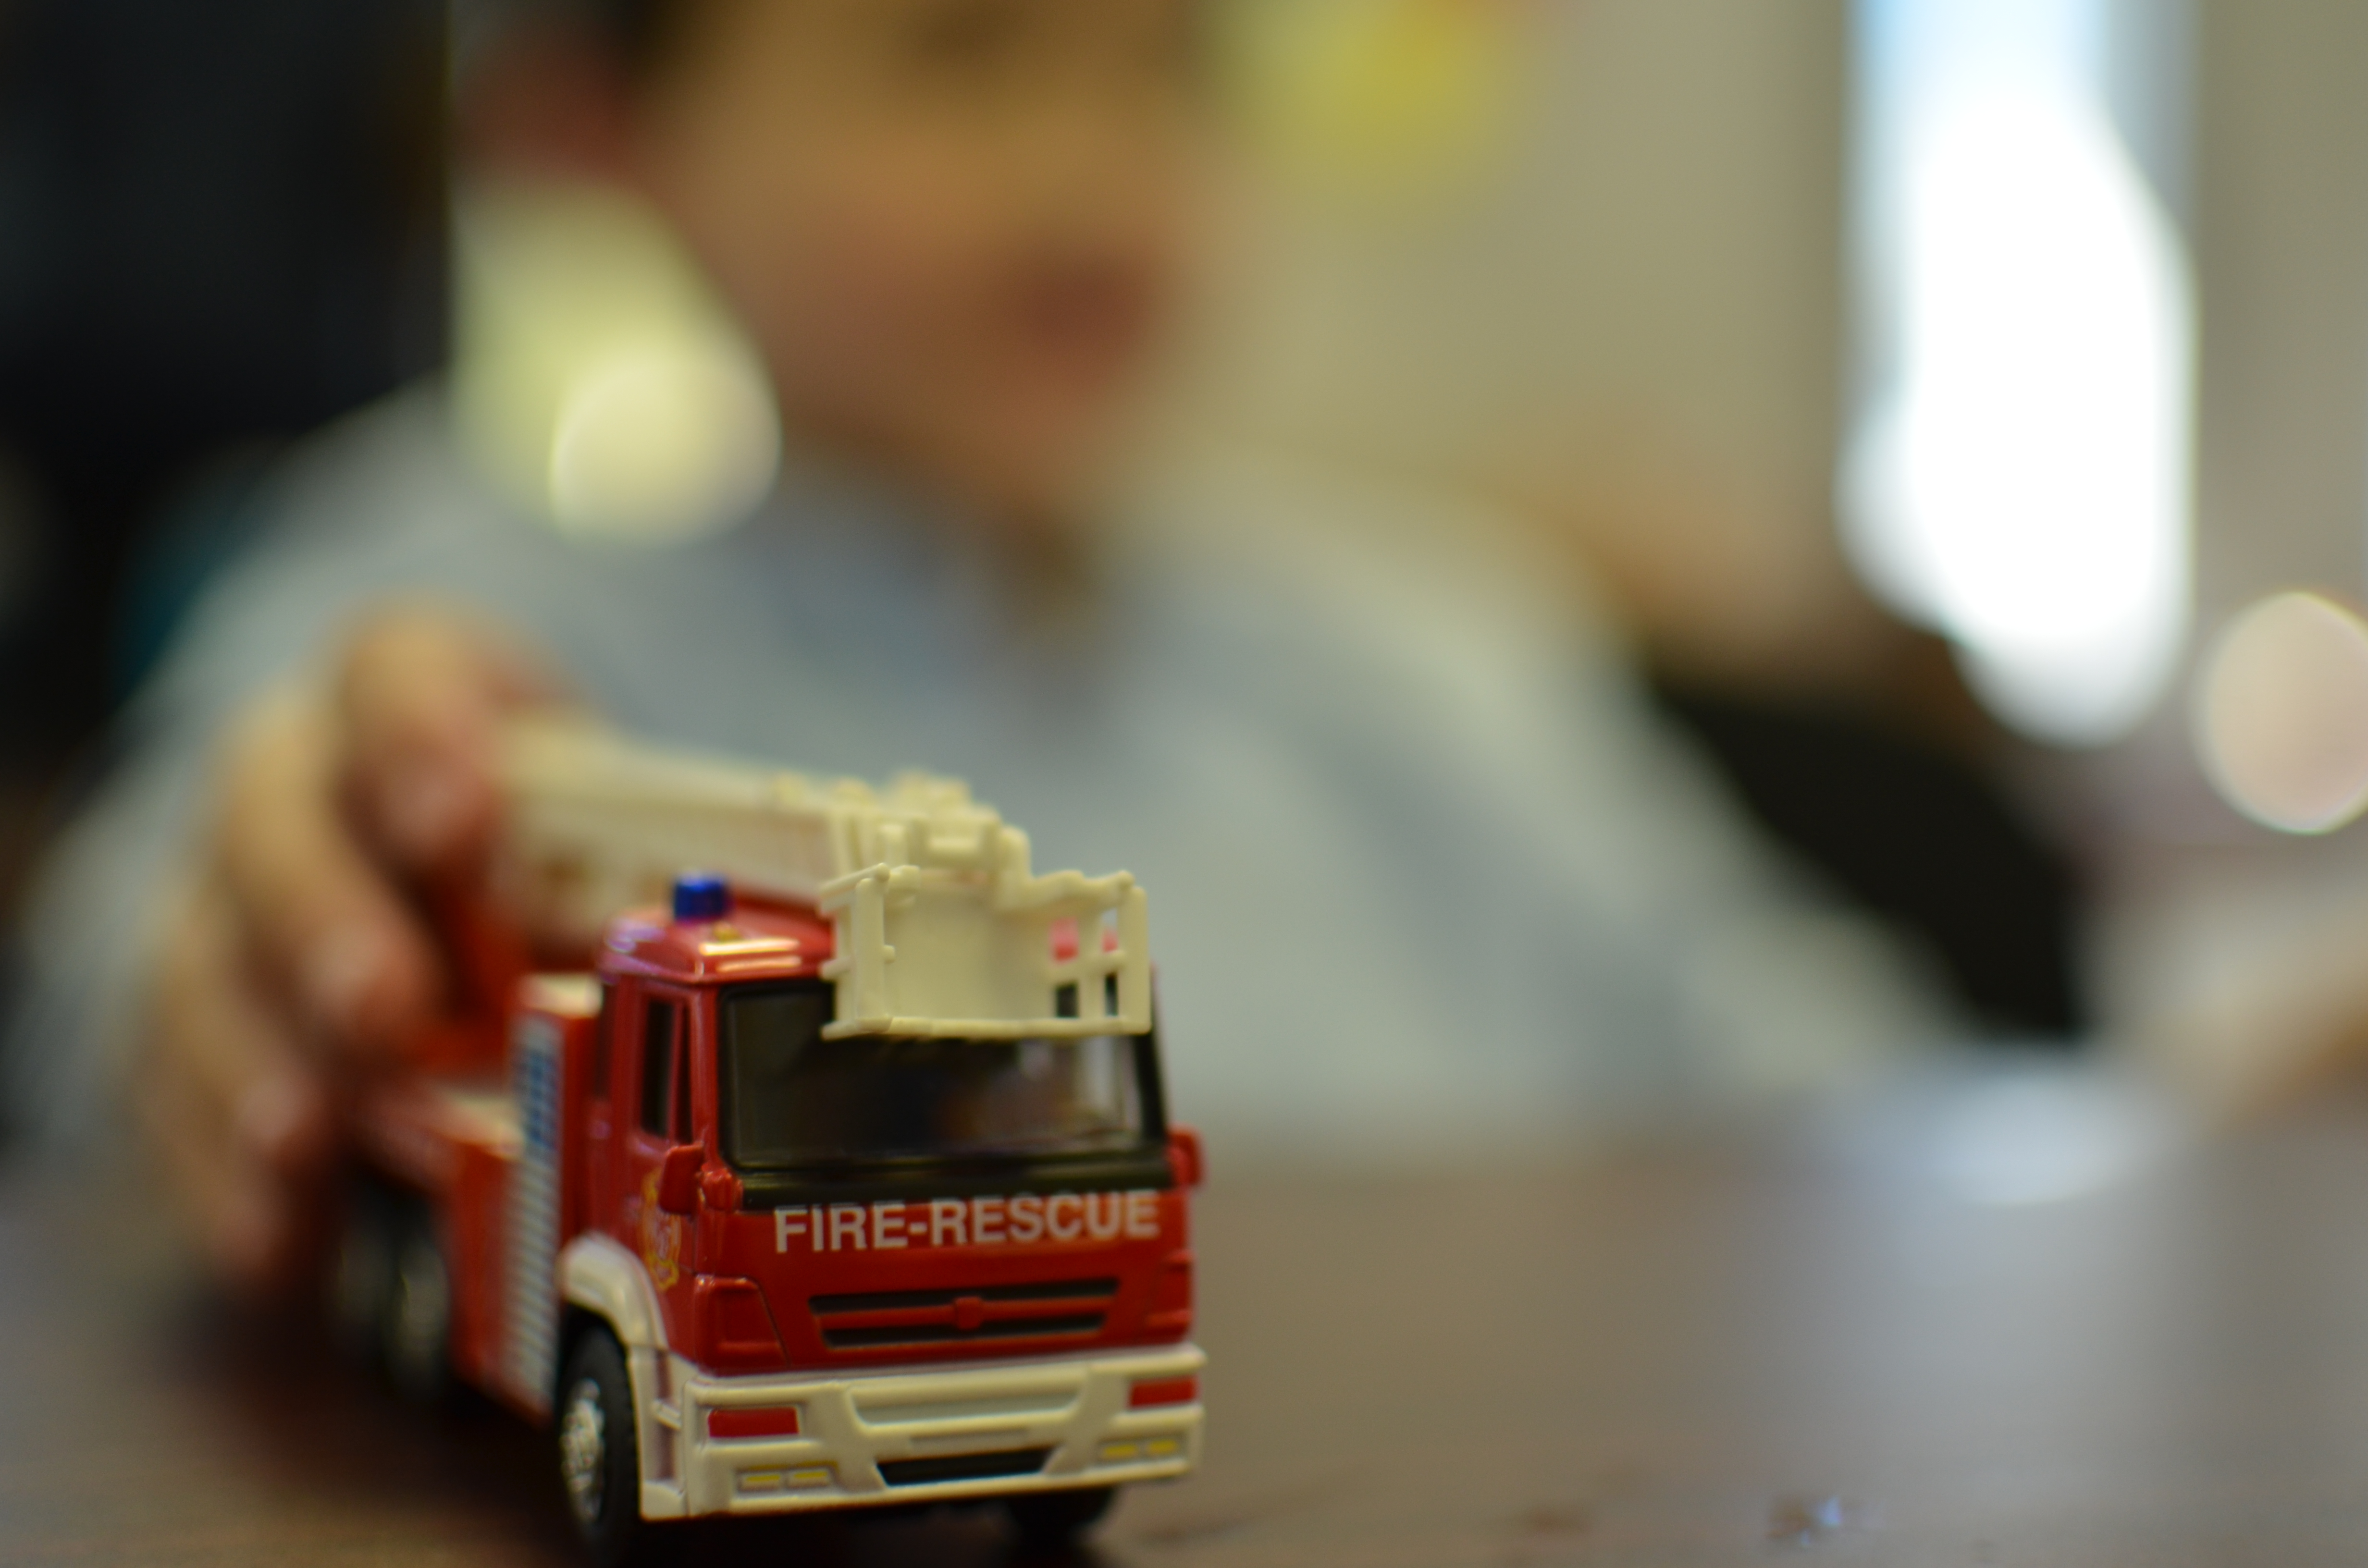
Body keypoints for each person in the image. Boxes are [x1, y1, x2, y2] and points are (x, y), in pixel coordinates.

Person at [2, 0, 1939, 1297]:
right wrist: (254, 955)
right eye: (958, 50)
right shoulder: (457, 598)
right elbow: (153, 959)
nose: (1095, 181)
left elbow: (1839, 1097)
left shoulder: (1429, 650)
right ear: (598, 131)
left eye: (1167, 63)